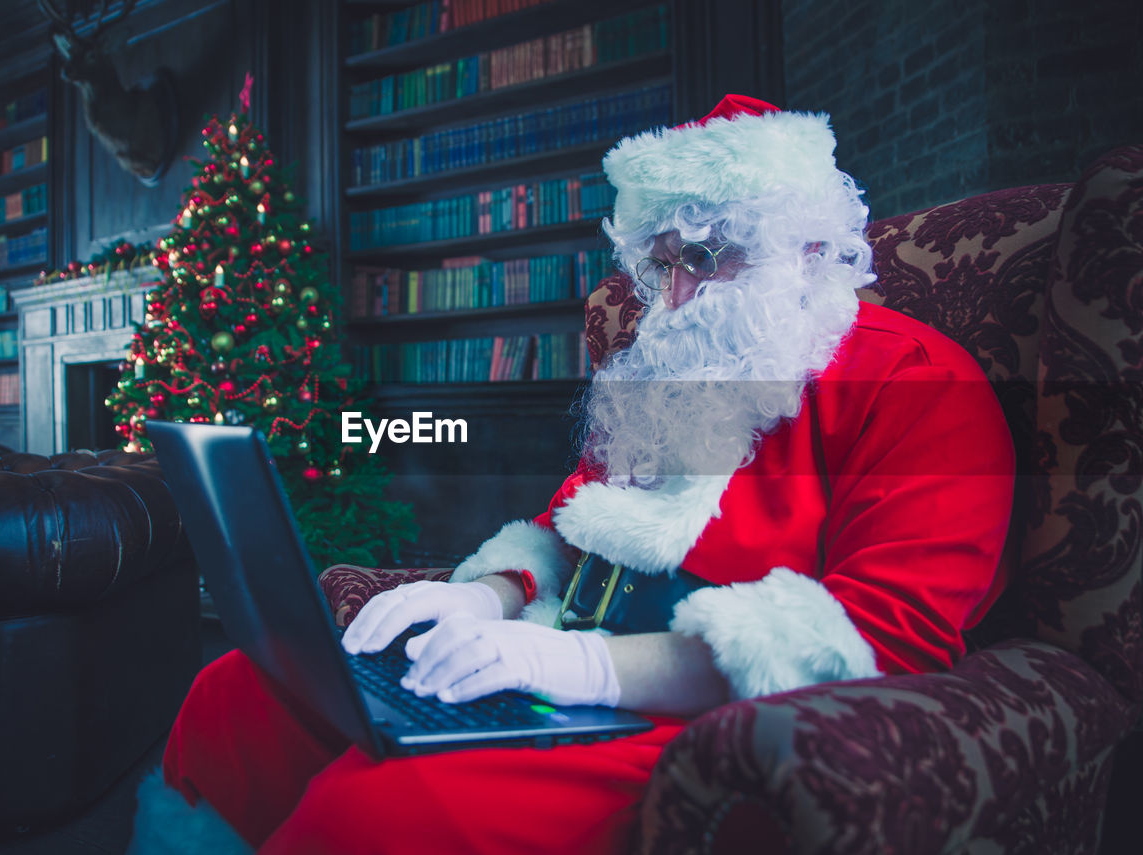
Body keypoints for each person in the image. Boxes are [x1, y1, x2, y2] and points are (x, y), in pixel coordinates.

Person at [128, 94, 1015, 854]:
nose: (669, 299)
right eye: (662, 262)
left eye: (704, 259)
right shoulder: (665, 364)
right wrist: (490, 597)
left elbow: (886, 635)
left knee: (374, 813)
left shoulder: (917, 379)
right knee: (236, 692)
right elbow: (566, 527)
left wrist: (583, 664)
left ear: (804, 252)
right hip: (559, 673)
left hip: (692, 720)